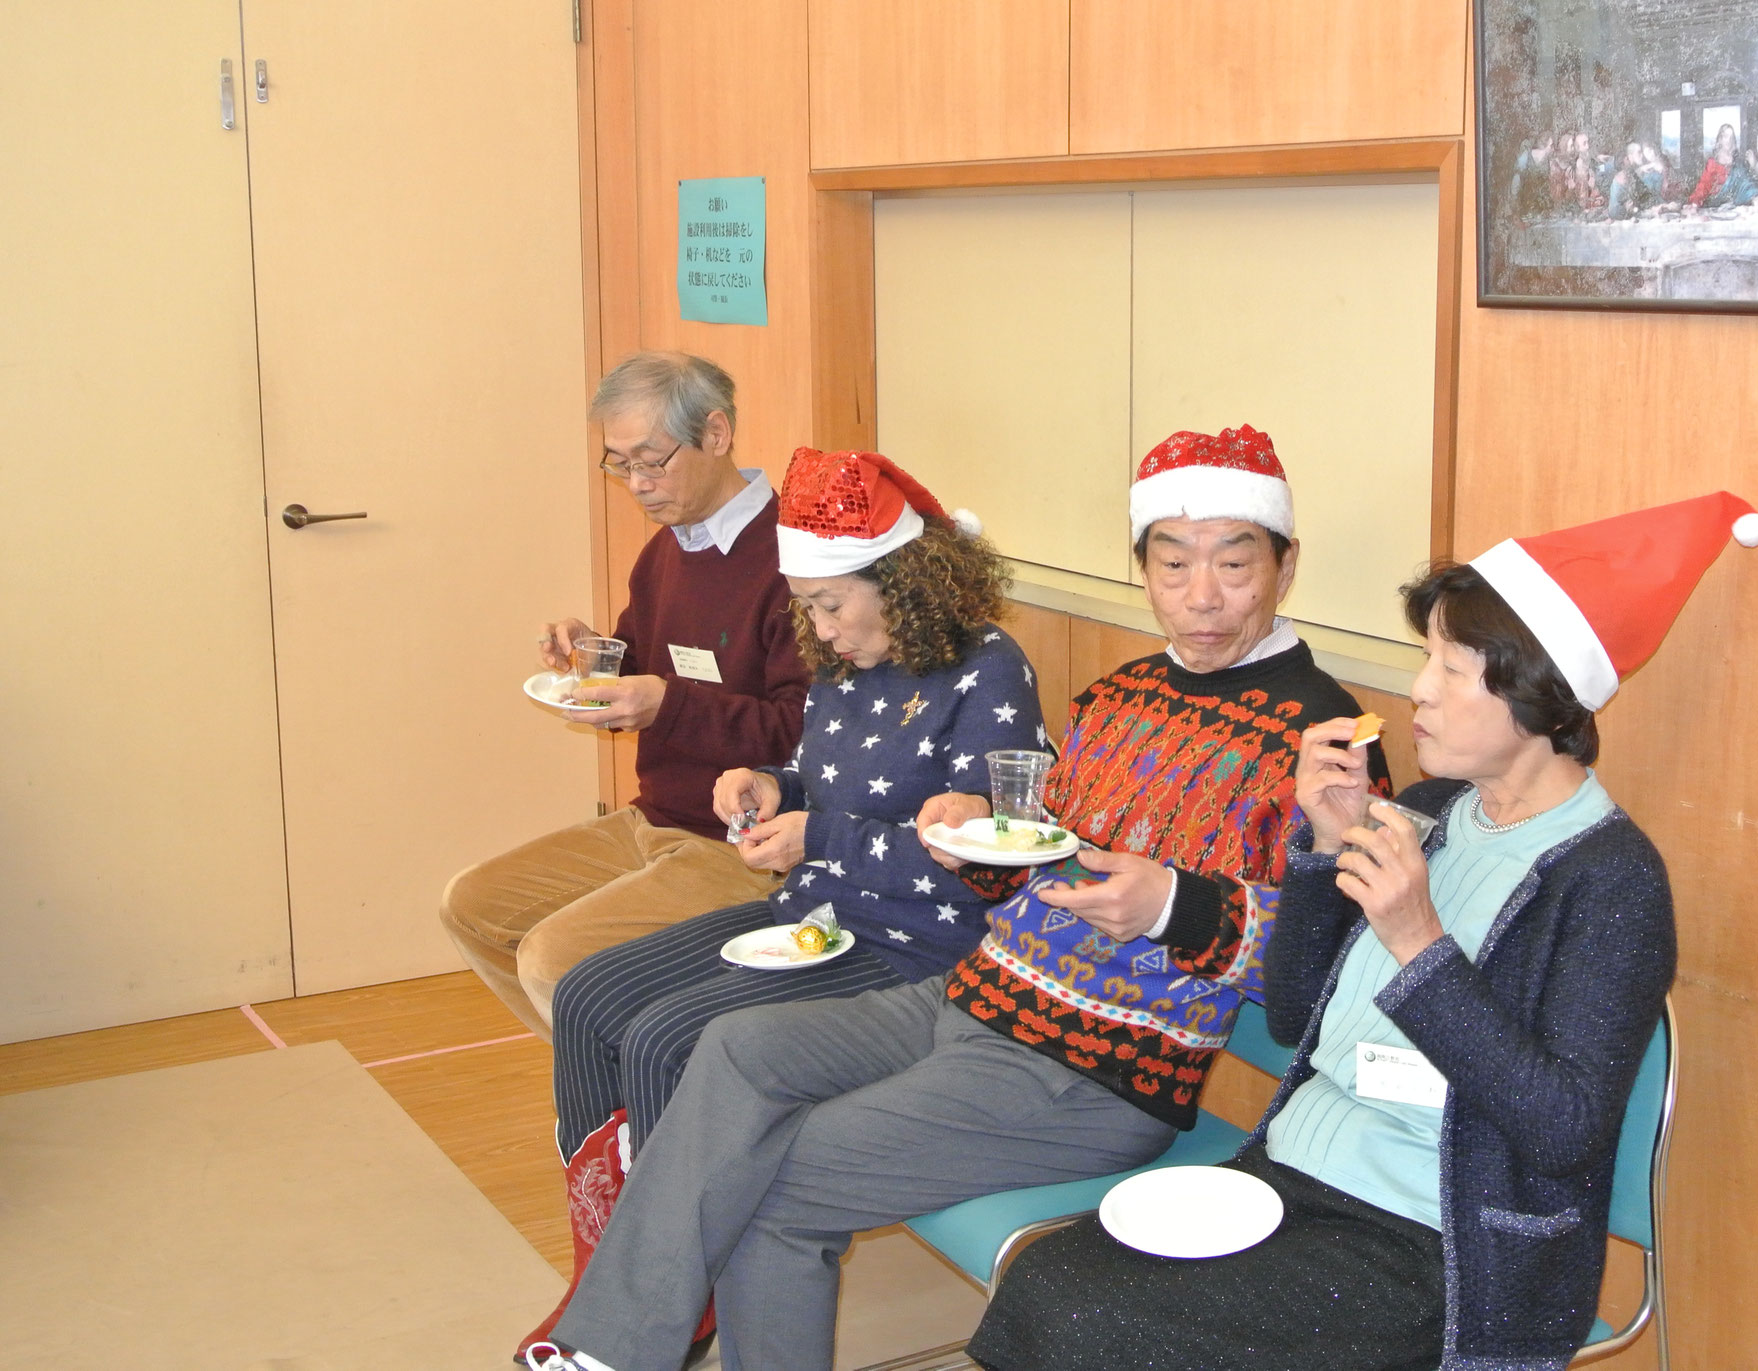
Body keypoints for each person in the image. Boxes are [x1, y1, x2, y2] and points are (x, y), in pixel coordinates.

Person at [523, 426, 1393, 1371]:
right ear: (1143, 569)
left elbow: (1325, 983)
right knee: (732, 1047)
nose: (1203, 594)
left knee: (775, 1180)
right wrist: (972, 825)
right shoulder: (1119, 696)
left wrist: (1173, 905)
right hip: (972, 999)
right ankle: (603, 1349)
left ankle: (622, 1350)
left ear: (1284, 564)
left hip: (1092, 1069)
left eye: (1234, 562)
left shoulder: (1327, 741)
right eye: (1174, 563)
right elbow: (1028, 857)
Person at [967, 491, 1758, 1371]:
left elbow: (1565, 1130)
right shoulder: (1429, 811)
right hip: (1293, 1175)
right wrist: (1323, 845)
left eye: (1453, 669)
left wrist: (1418, 942)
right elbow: (1291, 1017)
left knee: (1096, 1321)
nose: (1420, 689)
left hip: (1438, 1240)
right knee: (1054, 1277)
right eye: (1427, 657)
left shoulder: (1609, 879)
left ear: (1543, 696)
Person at [515, 446, 1045, 1362]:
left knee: (664, 1036)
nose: (821, 627)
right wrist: (767, 783)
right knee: (591, 995)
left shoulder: (984, 669)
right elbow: (818, 772)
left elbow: (985, 862)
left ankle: (674, 1295)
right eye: (806, 606)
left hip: (921, 949)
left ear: (902, 579)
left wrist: (820, 835)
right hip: (819, 915)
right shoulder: (845, 660)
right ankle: (620, 1267)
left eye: (832, 602)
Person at [440, 353, 808, 1037]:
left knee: (555, 959)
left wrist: (666, 704)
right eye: (619, 464)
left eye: (651, 461)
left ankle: (635, 1105)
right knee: (472, 905)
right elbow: (646, 665)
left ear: (718, 434)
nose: (637, 485)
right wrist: (592, 658)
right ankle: (608, 1093)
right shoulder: (668, 549)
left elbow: (803, 732)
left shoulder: (794, 560)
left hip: (742, 843)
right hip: (654, 819)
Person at [1689, 123, 1758, 209]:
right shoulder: (1713, 163)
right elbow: (1704, 185)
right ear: (1720, 139)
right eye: (1726, 136)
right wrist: (1695, 203)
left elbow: (1745, 184)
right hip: (1715, 209)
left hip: (1735, 209)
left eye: (1732, 138)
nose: (1729, 141)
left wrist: (1754, 198)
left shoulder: (1737, 164)